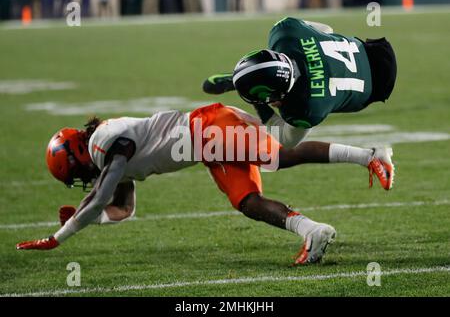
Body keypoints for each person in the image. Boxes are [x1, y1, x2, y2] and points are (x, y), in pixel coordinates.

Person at [16, 102, 394, 265]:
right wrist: (92, 218)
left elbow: (100, 198)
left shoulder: (106, 143)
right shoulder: (109, 154)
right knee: (247, 201)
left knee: (279, 156)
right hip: (204, 146)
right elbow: (122, 209)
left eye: (74, 172)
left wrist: (60, 236)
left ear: (79, 151)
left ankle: (371, 153)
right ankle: (312, 231)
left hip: (208, 128)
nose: (81, 178)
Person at [203, 17, 397, 145]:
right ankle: (253, 77)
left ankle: (252, 81)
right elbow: (325, 30)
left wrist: (260, 105)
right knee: (321, 37)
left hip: (376, 87)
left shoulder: (305, 109)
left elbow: (286, 141)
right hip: (376, 51)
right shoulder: (287, 32)